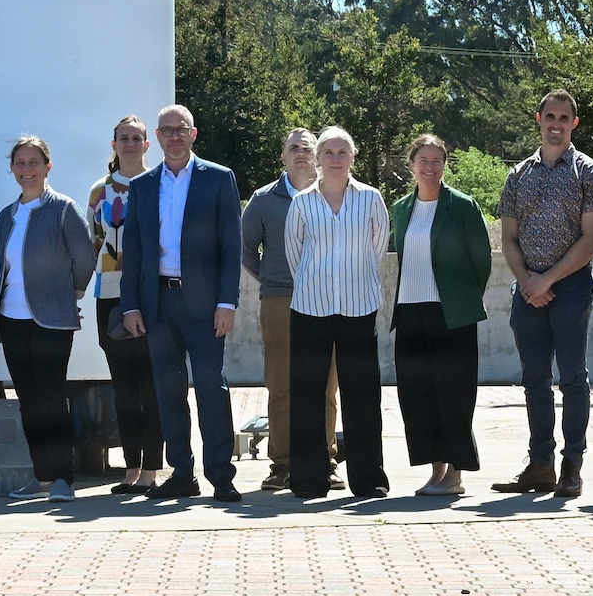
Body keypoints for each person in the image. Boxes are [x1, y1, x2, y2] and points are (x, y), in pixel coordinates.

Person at [119, 104, 243, 502]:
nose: (174, 137)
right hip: (158, 304)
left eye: (181, 129)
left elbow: (231, 246)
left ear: (193, 134)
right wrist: (130, 306)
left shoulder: (219, 179)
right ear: (156, 137)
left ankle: (221, 476)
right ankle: (182, 474)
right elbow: (133, 252)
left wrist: (227, 302)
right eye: (167, 130)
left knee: (211, 388)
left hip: (207, 306)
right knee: (167, 392)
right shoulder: (142, 186)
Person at [493, 90, 593, 497]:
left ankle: (571, 467)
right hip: (527, 291)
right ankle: (539, 464)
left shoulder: (590, 174)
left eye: (564, 118)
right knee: (534, 380)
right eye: (550, 117)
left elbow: (591, 239)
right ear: (539, 118)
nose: (556, 124)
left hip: (572, 289)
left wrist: (548, 280)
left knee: (573, 379)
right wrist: (528, 279)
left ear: (574, 123)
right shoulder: (518, 175)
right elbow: (508, 238)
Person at [283, 126, 391, 499]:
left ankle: (369, 479)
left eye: (342, 151)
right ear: (317, 158)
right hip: (311, 308)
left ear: (353, 157)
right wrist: (319, 283)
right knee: (307, 394)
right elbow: (295, 254)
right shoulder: (302, 203)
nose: (335, 158)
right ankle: (308, 480)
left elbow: (377, 247)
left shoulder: (371, 199)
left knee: (362, 395)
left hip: (359, 308)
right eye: (328, 152)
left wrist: (351, 279)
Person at [0, 136, 97, 503]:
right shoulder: (7, 215)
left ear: (47, 166)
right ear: (12, 168)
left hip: (51, 320)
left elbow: (85, 258)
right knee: (28, 400)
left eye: (33, 162)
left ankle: (63, 480)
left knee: (51, 398)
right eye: (20, 163)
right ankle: (40, 476)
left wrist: (71, 294)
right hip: (11, 317)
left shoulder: (64, 209)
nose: (26, 169)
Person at [390, 133, 492, 497]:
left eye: (436, 161)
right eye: (423, 161)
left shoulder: (462, 206)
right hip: (410, 312)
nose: (429, 167)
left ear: (444, 164)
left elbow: (481, 261)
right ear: (412, 165)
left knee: (454, 394)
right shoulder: (401, 208)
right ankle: (436, 471)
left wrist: (460, 299)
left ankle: (456, 474)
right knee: (418, 396)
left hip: (452, 316)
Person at [242, 128, 341, 493]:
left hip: (329, 301)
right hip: (280, 301)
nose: (301, 154)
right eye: (293, 148)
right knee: (281, 384)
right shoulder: (264, 199)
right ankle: (282, 464)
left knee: (326, 385)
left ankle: (325, 461)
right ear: (282, 156)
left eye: (307, 148)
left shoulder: (334, 193)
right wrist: (275, 278)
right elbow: (247, 250)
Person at [88, 116, 164, 493]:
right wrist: (77, 292)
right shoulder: (99, 191)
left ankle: (153, 467)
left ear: (147, 145)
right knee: (123, 386)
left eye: (137, 138)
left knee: (151, 384)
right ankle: (130, 467)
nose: (131, 144)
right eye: (124, 138)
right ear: (114, 144)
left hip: (151, 295)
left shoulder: (158, 185)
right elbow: (92, 244)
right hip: (110, 295)